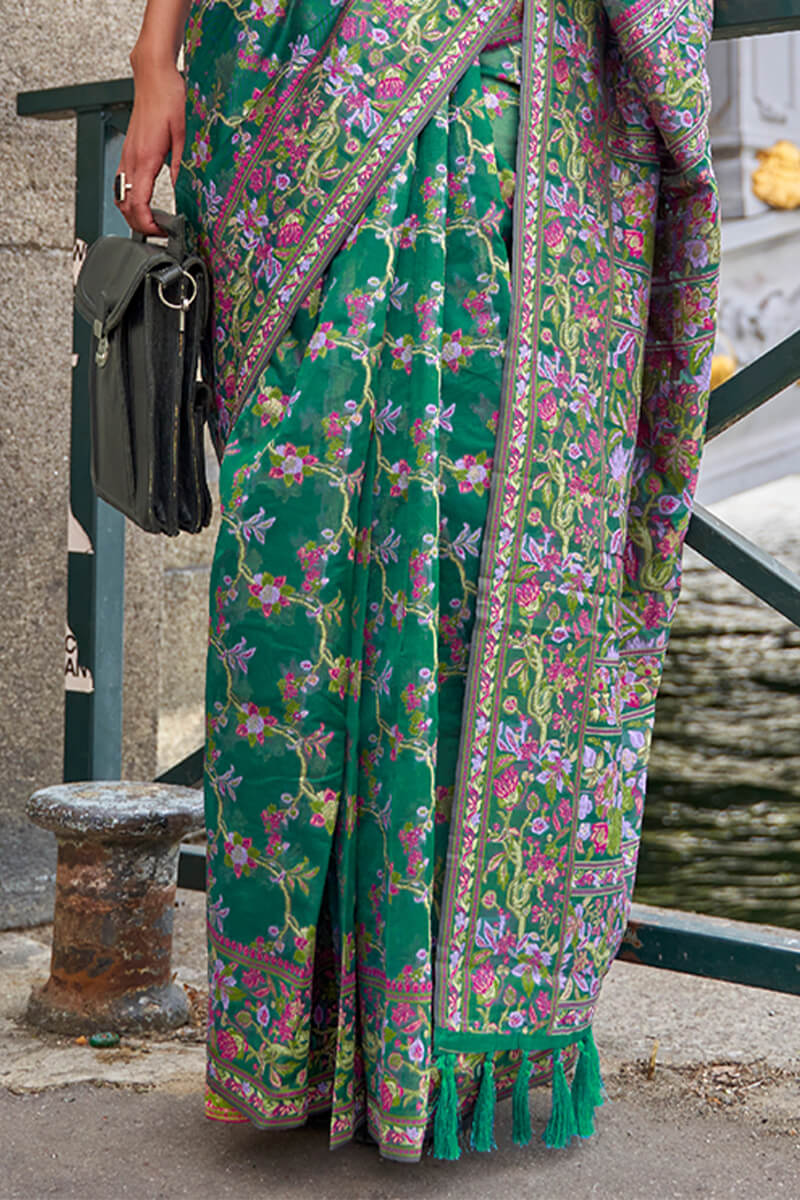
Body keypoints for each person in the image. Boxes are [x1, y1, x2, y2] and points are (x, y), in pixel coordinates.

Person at [117, 0, 719, 1164]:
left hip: (510, 130)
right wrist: (155, 55)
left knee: (467, 577)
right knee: (290, 588)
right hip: (290, 115)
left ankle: (437, 1044)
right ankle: (293, 1038)